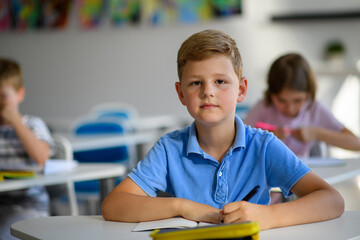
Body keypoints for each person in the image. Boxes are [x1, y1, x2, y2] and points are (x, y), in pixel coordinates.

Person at [101, 30, 344, 230]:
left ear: (241, 90)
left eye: (220, 81)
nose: (208, 91)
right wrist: (182, 207)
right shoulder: (169, 149)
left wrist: (270, 216)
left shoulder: (263, 146)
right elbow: (113, 205)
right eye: (196, 83)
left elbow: (332, 200)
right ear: (180, 93)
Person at [244, 53, 360, 158]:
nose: (290, 108)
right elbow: (236, 141)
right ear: (271, 93)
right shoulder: (264, 107)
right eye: (281, 100)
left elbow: (356, 144)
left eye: (297, 100)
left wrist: (317, 133)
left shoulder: (314, 109)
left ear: (309, 94)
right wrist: (267, 138)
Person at [0, 58, 55, 240]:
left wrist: (15, 121)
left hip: (28, 206)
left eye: (3, 96)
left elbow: (41, 157)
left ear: (19, 95)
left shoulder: (32, 124)